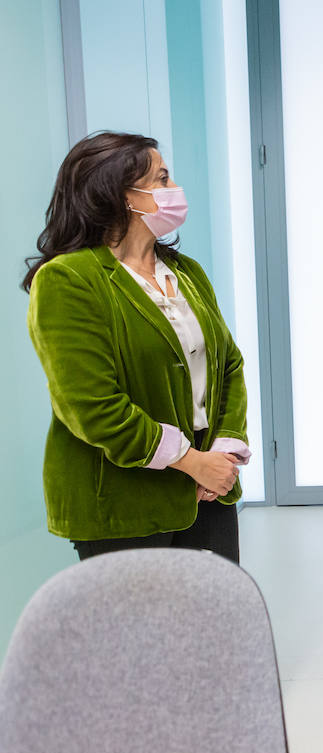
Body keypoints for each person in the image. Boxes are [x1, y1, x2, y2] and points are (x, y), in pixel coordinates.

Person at [25, 132, 250, 563]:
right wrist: (190, 460)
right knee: (140, 632)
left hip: (207, 491)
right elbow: (92, 406)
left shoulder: (186, 272)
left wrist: (221, 451)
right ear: (119, 195)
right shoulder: (67, 280)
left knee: (214, 626)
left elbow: (230, 365)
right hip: (121, 505)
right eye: (161, 179)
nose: (174, 190)